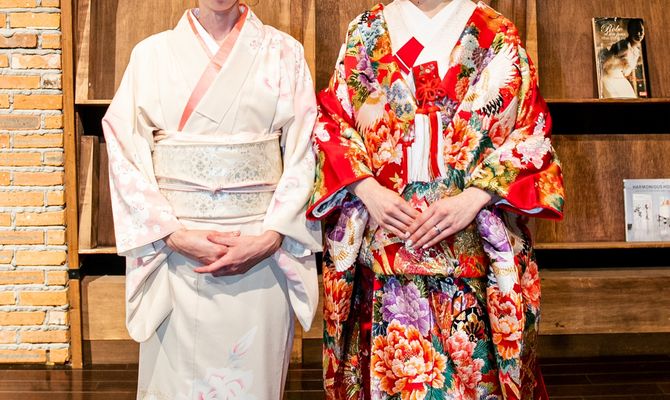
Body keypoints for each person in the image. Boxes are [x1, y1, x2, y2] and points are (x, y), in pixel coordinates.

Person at [307, 0, 565, 399]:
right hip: (386, 245)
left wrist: (474, 197)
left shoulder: (497, 34)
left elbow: (529, 131)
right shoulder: (366, 31)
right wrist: (367, 190)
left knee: (473, 380)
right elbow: (333, 122)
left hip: (471, 247)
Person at [102, 1, 321, 398]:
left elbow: (306, 151)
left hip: (259, 247)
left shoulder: (284, 52)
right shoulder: (150, 55)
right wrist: (170, 235)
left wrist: (272, 236)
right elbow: (123, 149)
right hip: (176, 251)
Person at [600, 19, 645, 98]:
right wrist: (617, 62)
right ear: (629, 31)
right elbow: (605, 63)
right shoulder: (624, 45)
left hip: (619, 78)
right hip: (608, 78)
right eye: (635, 29)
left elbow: (626, 72)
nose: (639, 33)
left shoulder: (637, 51)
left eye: (641, 30)